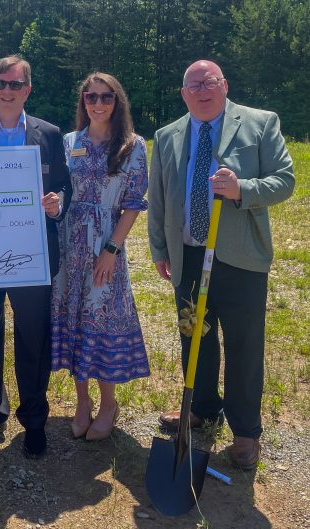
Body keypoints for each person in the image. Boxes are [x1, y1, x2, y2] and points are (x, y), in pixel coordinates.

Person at [148, 60, 295, 469]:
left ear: (224, 85)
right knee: (194, 335)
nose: (201, 90)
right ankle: (203, 409)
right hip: (189, 255)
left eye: (209, 82)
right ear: (183, 93)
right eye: (193, 84)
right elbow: (159, 196)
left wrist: (241, 189)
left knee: (244, 345)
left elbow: (285, 179)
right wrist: (160, 249)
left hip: (240, 259)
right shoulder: (167, 135)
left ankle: (246, 431)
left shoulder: (260, 123)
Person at [0, 55, 72, 458]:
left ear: (28, 89)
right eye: (0, 84)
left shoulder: (50, 134)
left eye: (15, 85)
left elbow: (64, 187)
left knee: (32, 339)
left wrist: (58, 203)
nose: (7, 91)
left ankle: (34, 422)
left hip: (31, 254)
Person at [51, 72, 150, 441]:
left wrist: (112, 248)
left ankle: (108, 403)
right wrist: (55, 204)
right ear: (83, 101)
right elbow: (63, 190)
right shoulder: (69, 141)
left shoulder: (132, 145)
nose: (98, 103)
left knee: (102, 318)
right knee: (74, 316)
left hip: (105, 243)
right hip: (69, 242)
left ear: (117, 101)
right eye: (90, 97)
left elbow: (133, 203)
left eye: (105, 97)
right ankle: (81, 402)